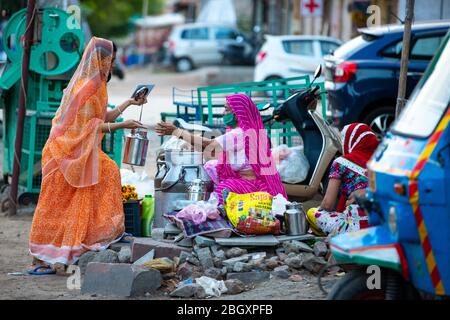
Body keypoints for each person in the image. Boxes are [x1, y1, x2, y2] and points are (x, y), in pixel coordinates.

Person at [28, 37, 147, 274]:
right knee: (55, 205)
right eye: (110, 60)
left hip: (81, 151)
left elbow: (101, 119)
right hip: (63, 151)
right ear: (99, 60)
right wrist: (122, 127)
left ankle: (81, 245)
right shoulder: (86, 87)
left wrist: (129, 104)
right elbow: (85, 127)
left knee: (105, 176)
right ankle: (42, 256)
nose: (112, 65)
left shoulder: (99, 84)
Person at [155, 93, 287, 204]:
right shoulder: (245, 131)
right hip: (249, 179)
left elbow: (209, 144)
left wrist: (177, 132)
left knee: (224, 189)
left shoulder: (239, 133)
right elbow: (210, 149)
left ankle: (215, 211)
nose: (223, 113)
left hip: (254, 185)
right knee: (211, 166)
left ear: (237, 113)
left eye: (227, 109)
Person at [306, 123, 379, 236]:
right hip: (383, 228)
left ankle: (330, 237)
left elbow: (328, 205)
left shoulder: (342, 163)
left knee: (313, 213)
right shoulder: (384, 162)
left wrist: (320, 210)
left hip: (355, 229)